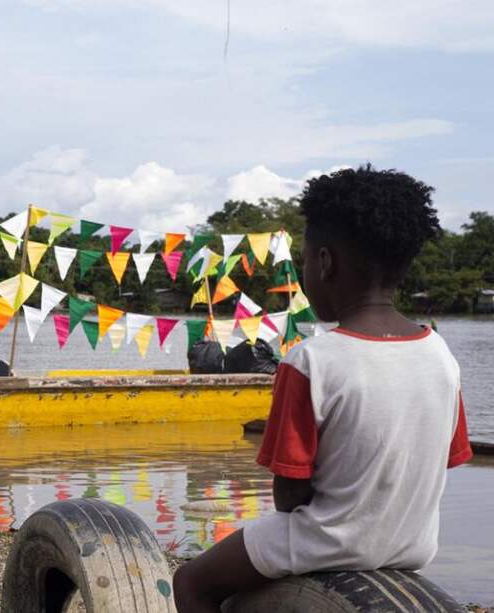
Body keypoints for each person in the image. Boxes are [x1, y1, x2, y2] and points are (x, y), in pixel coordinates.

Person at [173, 165, 473, 612]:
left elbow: (289, 494)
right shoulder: (440, 353)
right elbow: (446, 459)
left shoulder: (311, 360)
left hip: (324, 541)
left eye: (306, 258)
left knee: (192, 581)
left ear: (325, 263)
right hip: (412, 545)